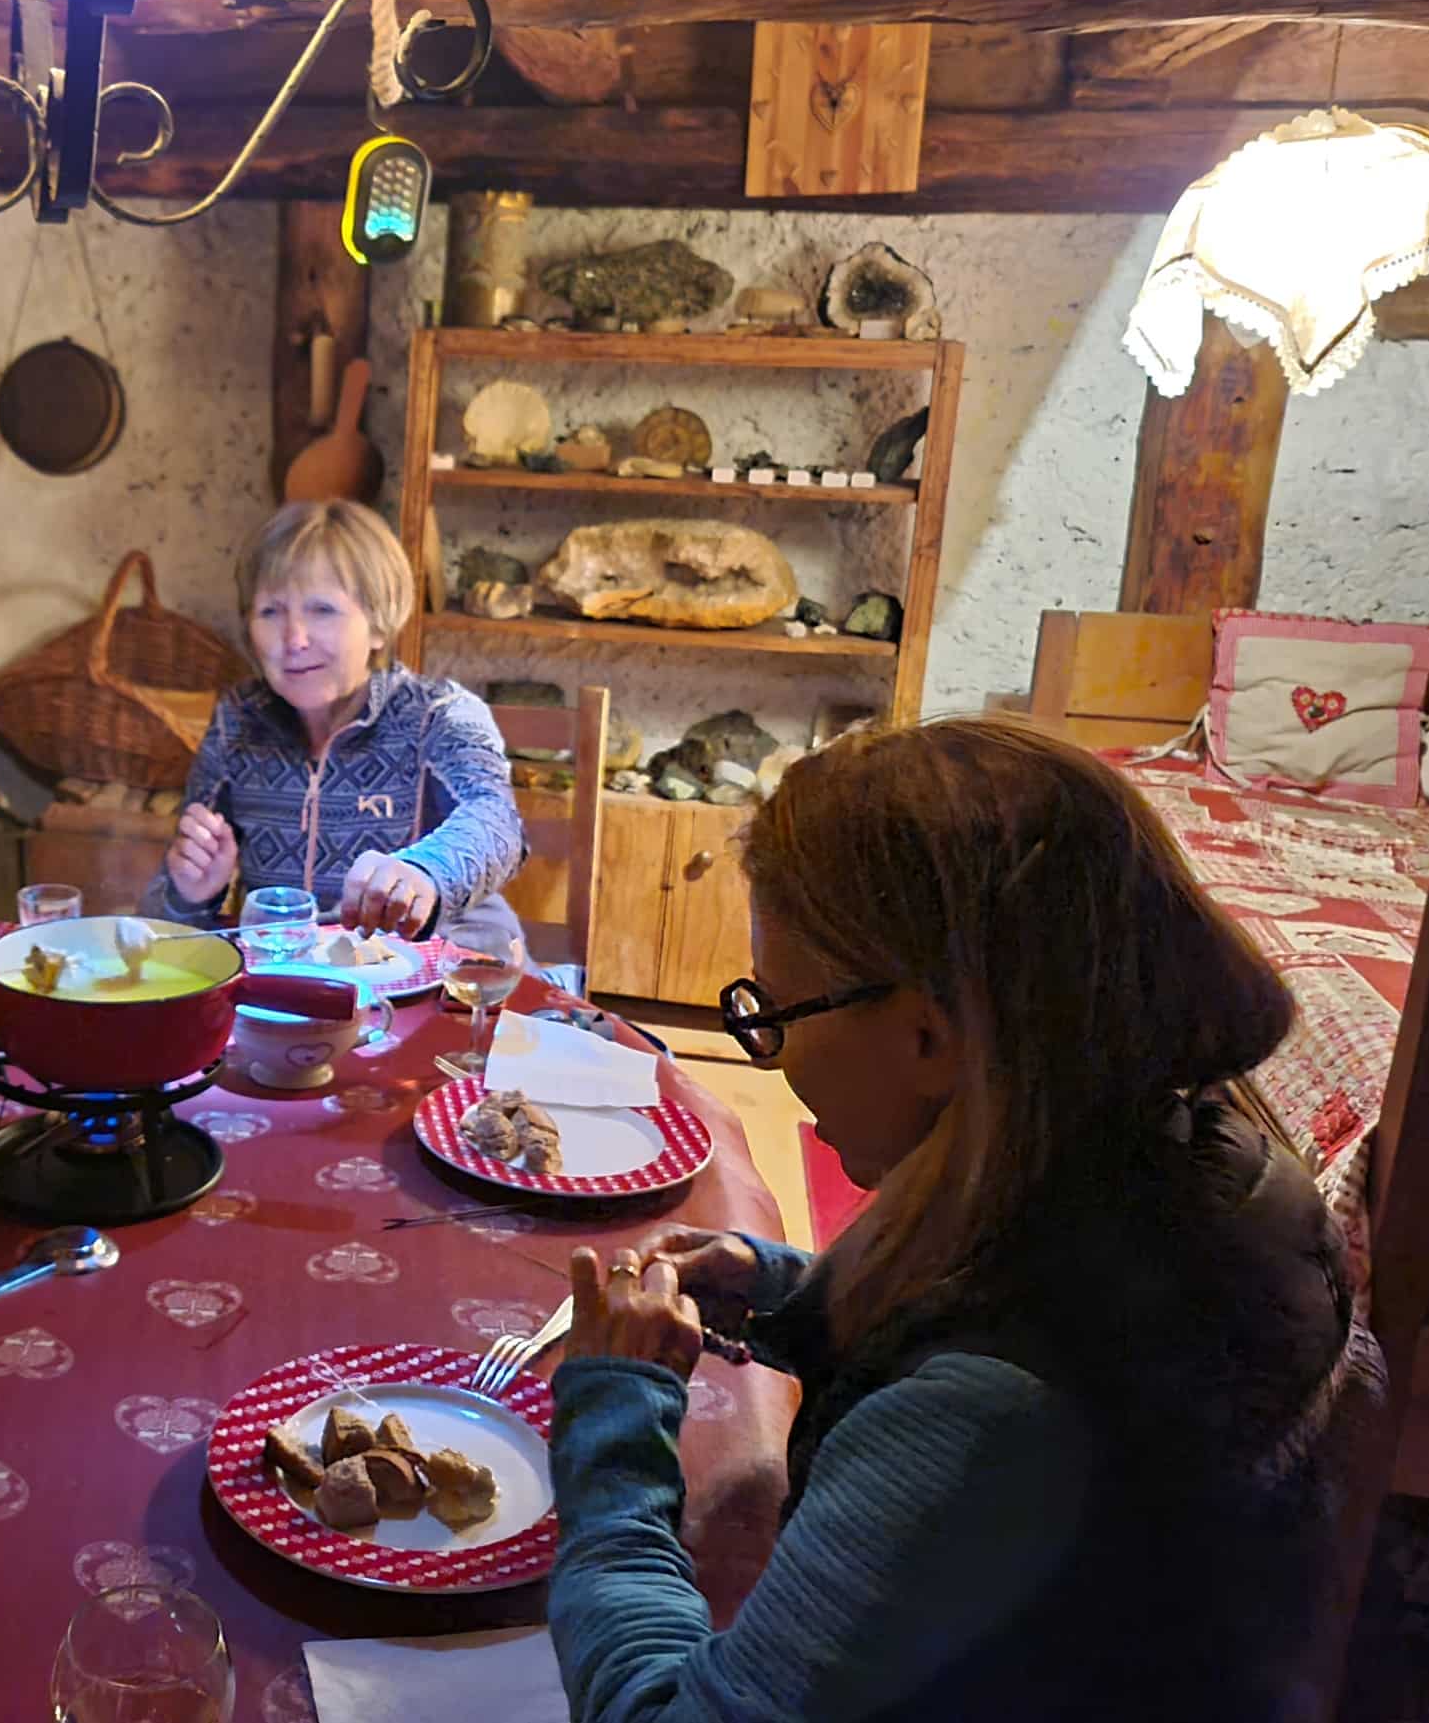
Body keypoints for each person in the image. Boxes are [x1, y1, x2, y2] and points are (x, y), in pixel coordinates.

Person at [545, 715, 1374, 1722]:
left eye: (770, 1011)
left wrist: (613, 1427)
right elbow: (1015, 1300)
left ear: (928, 1037)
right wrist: (791, 1291)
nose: (775, 1053)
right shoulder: (1217, 1157)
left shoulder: (986, 1414)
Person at [138, 502, 522, 940]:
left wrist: (424, 871)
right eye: (270, 612)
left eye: (322, 610)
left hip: (439, 985)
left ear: (379, 625)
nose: (294, 639)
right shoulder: (239, 722)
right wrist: (190, 896)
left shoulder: (437, 715)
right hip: (294, 986)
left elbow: (497, 823)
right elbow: (164, 924)